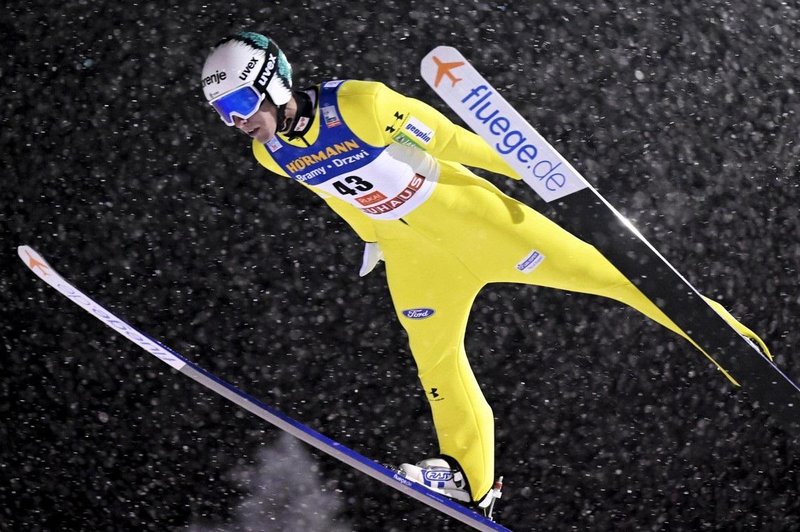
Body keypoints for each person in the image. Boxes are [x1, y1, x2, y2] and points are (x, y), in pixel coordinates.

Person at [200, 31, 771, 511]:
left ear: (272, 84)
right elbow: (335, 195)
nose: (236, 124)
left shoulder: (361, 104)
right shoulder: (271, 153)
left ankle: (731, 343)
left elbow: (450, 140)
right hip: (413, 258)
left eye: (240, 107)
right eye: (223, 116)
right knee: (437, 362)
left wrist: (536, 173)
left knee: (614, 276)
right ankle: (468, 479)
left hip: (478, 224)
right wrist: (371, 237)